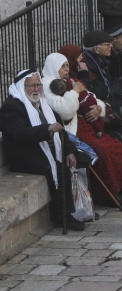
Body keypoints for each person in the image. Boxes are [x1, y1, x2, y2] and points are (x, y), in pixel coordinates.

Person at [52, 47, 122, 203]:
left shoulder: (74, 80)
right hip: (75, 130)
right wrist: (75, 93)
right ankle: (110, 193)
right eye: (64, 66)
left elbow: (91, 96)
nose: (80, 62)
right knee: (102, 151)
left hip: (88, 126)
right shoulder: (53, 86)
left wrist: (99, 108)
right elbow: (66, 110)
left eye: (68, 65)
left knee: (116, 145)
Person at [1, 69, 83, 230]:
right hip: (25, 155)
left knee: (81, 159)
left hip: (46, 150)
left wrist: (69, 150)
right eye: (31, 86)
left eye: (38, 85)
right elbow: (19, 134)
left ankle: (84, 207)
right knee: (59, 169)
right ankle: (63, 216)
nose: (36, 89)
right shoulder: (12, 107)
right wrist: (47, 130)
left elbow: (60, 129)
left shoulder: (43, 104)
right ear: (22, 87)